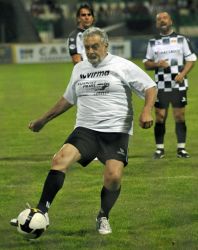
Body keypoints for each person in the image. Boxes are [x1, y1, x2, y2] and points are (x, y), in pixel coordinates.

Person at [11, 27, 157, 235]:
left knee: (114, 177)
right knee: (59, 160)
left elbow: (150, 87)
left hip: (116, 131)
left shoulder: (122, 65)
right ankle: (41, 212)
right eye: (87, 47)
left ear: (105, 45)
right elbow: (68, 99)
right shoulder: (79, 68)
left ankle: (103, 215)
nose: (90, 51)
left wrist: (146, 111)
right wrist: (43, 120)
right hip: (86, 129)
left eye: (95, 46)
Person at [143, 12, 197, 159]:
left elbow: (191, 59)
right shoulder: (153, 42)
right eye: (159, 19)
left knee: (179, 116)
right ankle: (159, 149)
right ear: (156, 24)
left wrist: (183, 74)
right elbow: (146, 63)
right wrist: (157, 64)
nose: (162, 21)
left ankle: (181, 149)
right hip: (160, 86)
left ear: (171, 21)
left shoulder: (181, 39)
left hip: (178, 85)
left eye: (165, 18)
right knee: (160, 117)